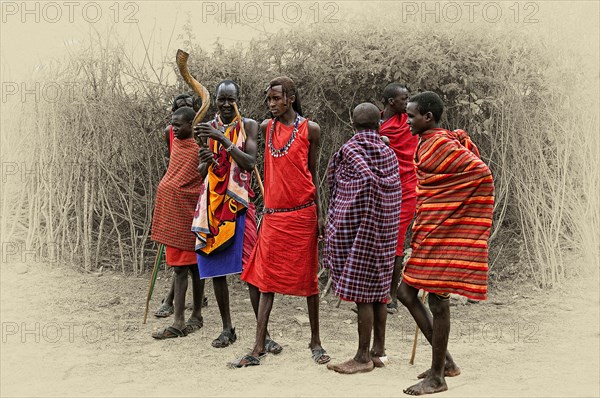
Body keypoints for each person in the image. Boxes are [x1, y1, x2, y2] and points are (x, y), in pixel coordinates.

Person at [398, 92, 494, 395]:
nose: (408, 120)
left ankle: (438, 377)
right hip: (431, 230)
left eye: (412, 115)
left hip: (444, 233)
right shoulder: (429, 142)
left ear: (428, 117)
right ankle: (447, 363)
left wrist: (451, 213)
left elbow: (481, 173)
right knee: (405, 291)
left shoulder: (439, 143)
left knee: (438, 300)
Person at [233, 76, 330, 367]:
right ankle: (258, 345)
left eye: (276, 98)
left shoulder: (310, 129)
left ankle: (315, 341)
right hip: (274, 216)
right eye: (268, 99)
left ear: (290, 97)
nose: (271, 104)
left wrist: (320, 214)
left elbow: (312, 174)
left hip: (303, 214)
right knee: (266, 282)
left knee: (309, 281)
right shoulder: (265, 128)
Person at [191, 80, 280, 353]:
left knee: (252, 268)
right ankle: (227, 329)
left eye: (231, 99)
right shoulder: (208, 127)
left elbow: (250, 162)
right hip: (214, 204)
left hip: (240, 202)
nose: (226, 104)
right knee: (217, 269)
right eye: (221, 99)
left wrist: (223, 141)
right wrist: (206, 159)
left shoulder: (249, 126)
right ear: (215, 100)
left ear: (238, 100)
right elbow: (201, 171)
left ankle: (263, 334)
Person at [324, 103, 401, 374]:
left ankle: (362, 357)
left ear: (351, 121)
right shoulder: (388, 151)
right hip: (387, 227)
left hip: (360, 229)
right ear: (380, 121)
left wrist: (338, 226)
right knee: (380, 290)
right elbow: (391, 186)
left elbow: (346, 187)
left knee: (364, 295)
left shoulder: (350, 150)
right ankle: (379, 351)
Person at [150, 106, 206, 339]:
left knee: (193, 268)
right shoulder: (176, 144)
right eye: (172, 123)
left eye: (179, 124)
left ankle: (185, 320)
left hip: (189, 215)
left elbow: (200, 178)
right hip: (173, 217)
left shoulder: (197, 148)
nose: (174, 128)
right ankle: (188, 318)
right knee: (185, 268)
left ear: (191, 125)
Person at [379, 83, 419, 314]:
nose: (408, 101)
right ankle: (377, 291)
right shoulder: (379, 124)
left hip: (407, 189)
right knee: (381, 240)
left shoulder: (410, 121)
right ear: (391, 102)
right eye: (404, 98)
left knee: (396, 243)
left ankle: (392, 297)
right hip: (385, 190)